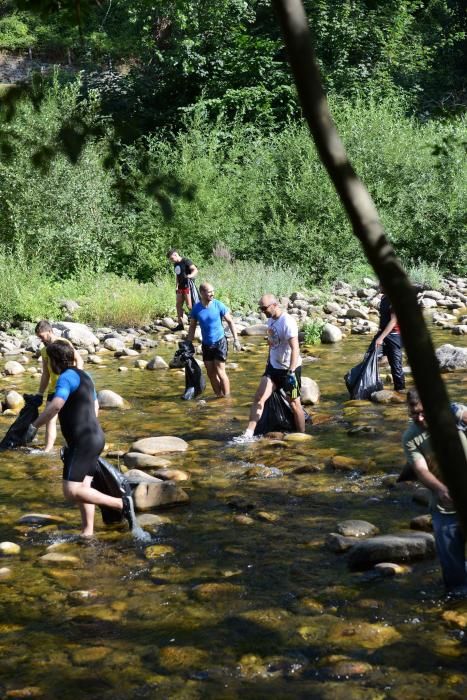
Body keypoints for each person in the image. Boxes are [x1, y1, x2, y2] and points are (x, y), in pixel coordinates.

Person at [25, 341, 132, 537]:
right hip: (95, 437)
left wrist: (34, 426)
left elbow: (56, 405)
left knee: (70, 490)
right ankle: (87, 532)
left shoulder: (66, 378)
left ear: (55, 361)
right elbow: (96, 406)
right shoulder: (85, 376)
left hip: (82, 442)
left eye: (49, 361)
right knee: (84, 487)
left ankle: (121, 503)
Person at [403, 389, 467, 596]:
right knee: (453, 574)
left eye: (423, 413)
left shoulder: (455, 415)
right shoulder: (411, 437)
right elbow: (420, 470)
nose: (419, 419)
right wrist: (440, 489)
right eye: (414, 414)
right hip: (445, 507)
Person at [234, 294, 305, 442]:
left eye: (264, 308)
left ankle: (302, 436)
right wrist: (268, 363)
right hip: (273, 368)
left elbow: (295, 349)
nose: (262, 310)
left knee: (294, 404)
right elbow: (272, 344)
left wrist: (291, 372)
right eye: (260, 308)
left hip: (289, 370)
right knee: (259, 398)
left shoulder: (288, 322)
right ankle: (248, 434)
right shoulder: (270, 319)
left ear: (274, 305)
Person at [35, 320, 84, 453]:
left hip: (69, 386)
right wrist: (39, 394)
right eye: (38, 337)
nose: (40, 339)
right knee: (49, 419)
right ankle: (47, 449)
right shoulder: (44, 350)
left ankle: (78, 447)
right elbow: (46, 374)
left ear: (50, 331)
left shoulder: (64, 344)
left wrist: (77, 377)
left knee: (74, 418)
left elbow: (79, 360)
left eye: (41, 336)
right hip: (53, 389)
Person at [186, 282, 241, 397]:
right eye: (209, 292)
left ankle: (227, 398)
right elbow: (192, 327)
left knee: (220, 371)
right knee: (211, 373)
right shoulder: (196, 308)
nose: (212, 294)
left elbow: (230, 322)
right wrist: (188, 344)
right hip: (206, 344)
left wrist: (236, 340)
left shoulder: (218, 305)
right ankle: (219, 396)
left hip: (220, 342)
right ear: (202, 293)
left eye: (213, 291)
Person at [373, 291, 405, 392]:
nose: (379, 285)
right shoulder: (383, 298)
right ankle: (371, 385)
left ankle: (400, 391)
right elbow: (383, 317)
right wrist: (379, 331)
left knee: (396, 366)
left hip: (394, 335)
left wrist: (381, 338)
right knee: (370, 356)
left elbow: (393, 321)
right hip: (383, 332)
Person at [167, 249, 198, 331]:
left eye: (171, 258)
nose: (171, 261)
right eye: (170, 260)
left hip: (187, 285)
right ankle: (180, 325)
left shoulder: (185, 261)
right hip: (180, 287)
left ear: (175, 255)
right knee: (178, 305)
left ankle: (198, 320)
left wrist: (190, 276)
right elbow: (177, 275)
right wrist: (176, 286)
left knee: (189, 305)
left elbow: (195, 270)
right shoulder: (175, 264)